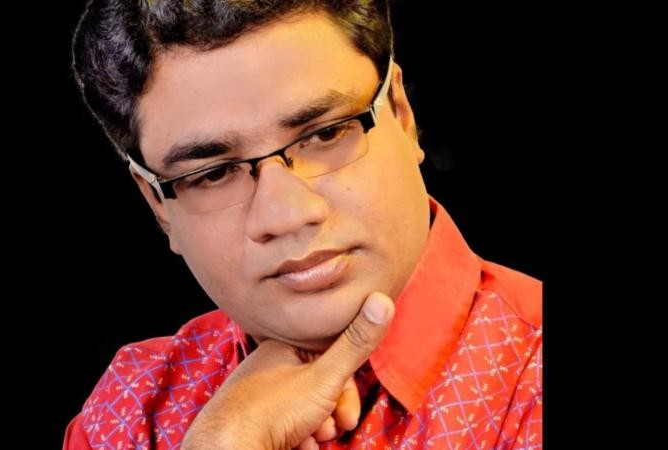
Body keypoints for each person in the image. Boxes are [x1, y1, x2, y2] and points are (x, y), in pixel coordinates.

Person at [64, 1, 542, 449]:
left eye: (325, 133)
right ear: (157, 204)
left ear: (401, 114)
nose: (287, 216)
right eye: (213, 174)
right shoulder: (127, 410)